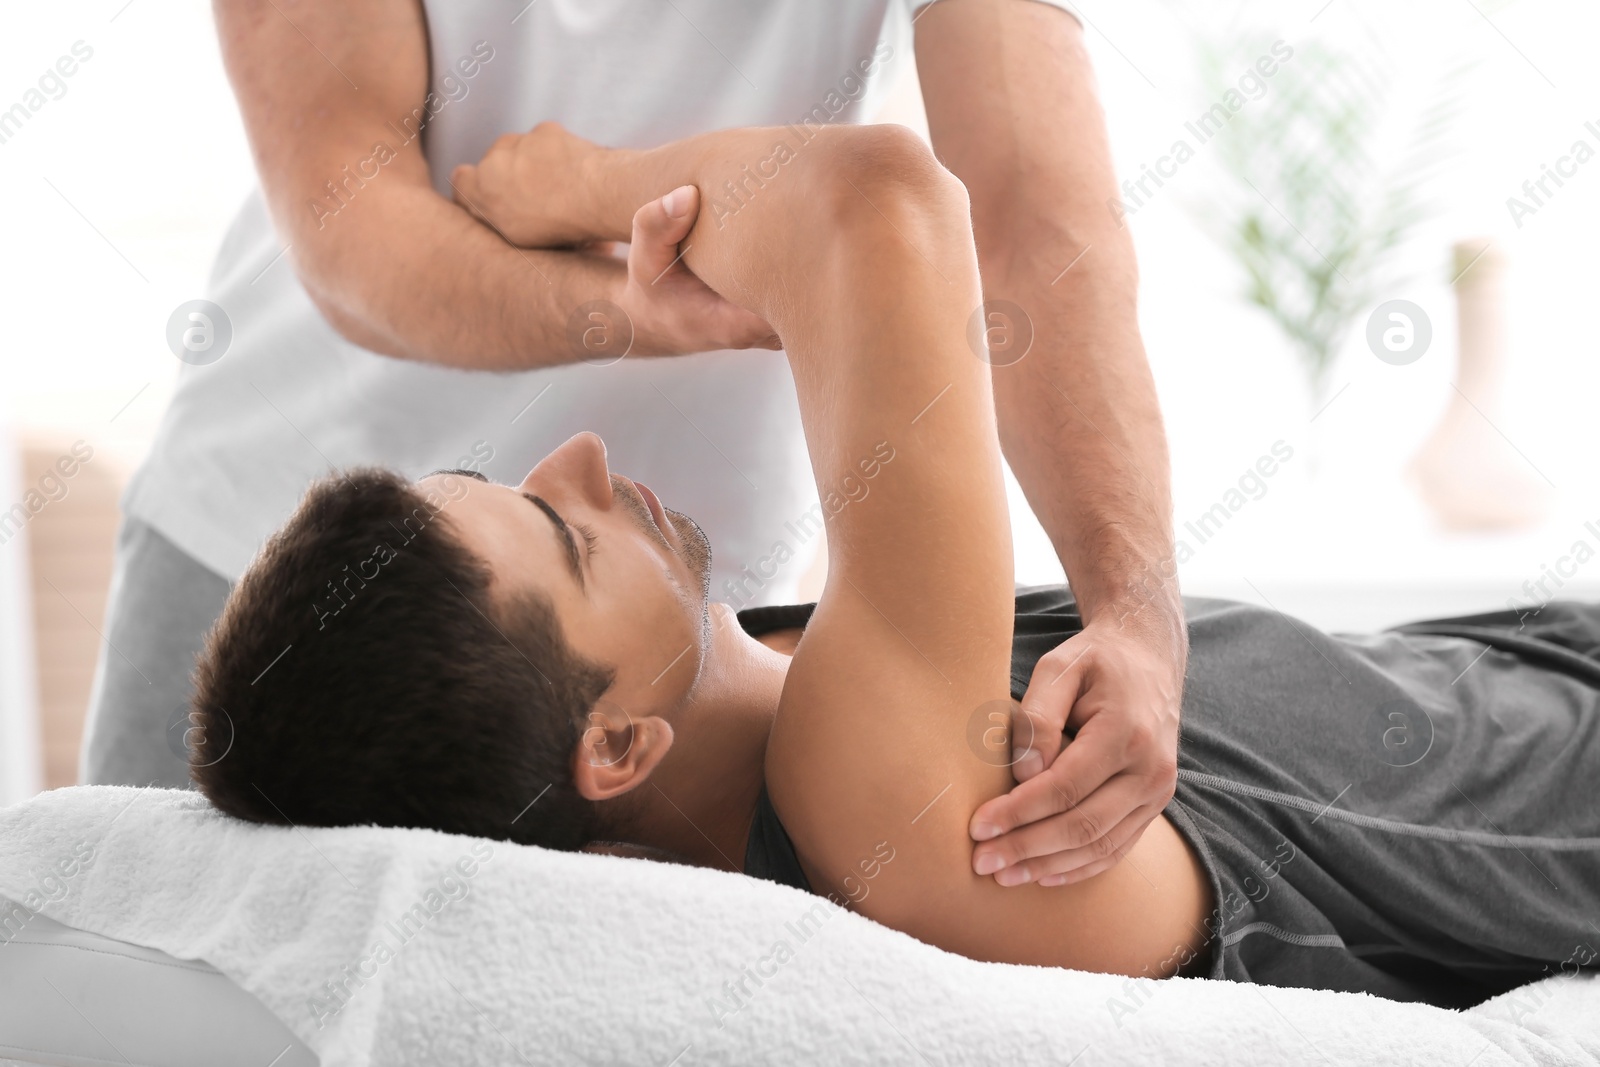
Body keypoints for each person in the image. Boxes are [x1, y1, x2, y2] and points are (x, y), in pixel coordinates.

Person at [187, 123, 1600, 1008]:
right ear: (617, 743)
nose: (581, 456)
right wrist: (593, 184)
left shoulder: (800, 686)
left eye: (512, 478)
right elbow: (877, 203)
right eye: (563, 532)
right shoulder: (876, 802)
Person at [83, 0, 1188, 891]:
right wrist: (630, 306)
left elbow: (1034, 228)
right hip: (268, 556)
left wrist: (1133, 608)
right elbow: (353, 223)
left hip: (670, 617)